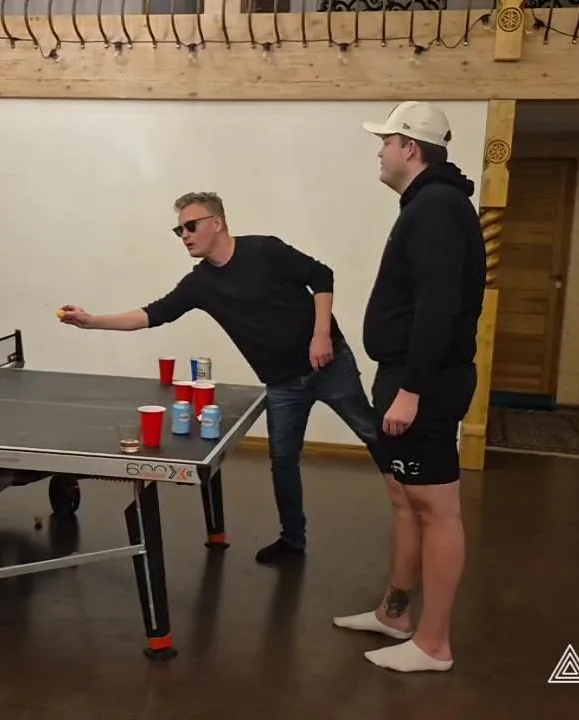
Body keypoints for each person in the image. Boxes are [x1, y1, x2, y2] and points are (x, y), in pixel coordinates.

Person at [59, 191, 385, 564]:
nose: (185, 235)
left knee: (372, 433)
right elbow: (152, 314)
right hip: (282, 382)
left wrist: (322, 333)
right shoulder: (200, 284)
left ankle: (413, 507)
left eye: (191, 226)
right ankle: (293, 540)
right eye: (179, 230)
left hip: (329, 365)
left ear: (217, 223)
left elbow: (321, 275)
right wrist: (92, 321)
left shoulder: (265, 250)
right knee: (283, 461)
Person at [331, 102, 486, 673]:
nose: (380, 151)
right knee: (405, 498)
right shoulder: (427, 204)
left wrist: (413, 390)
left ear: (410, 148)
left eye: (386, 142)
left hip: (426, 383)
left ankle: (434, 644)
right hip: (406, 375)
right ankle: (395, 614)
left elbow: (438, 305)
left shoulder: (438, 207)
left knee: (436, 510)